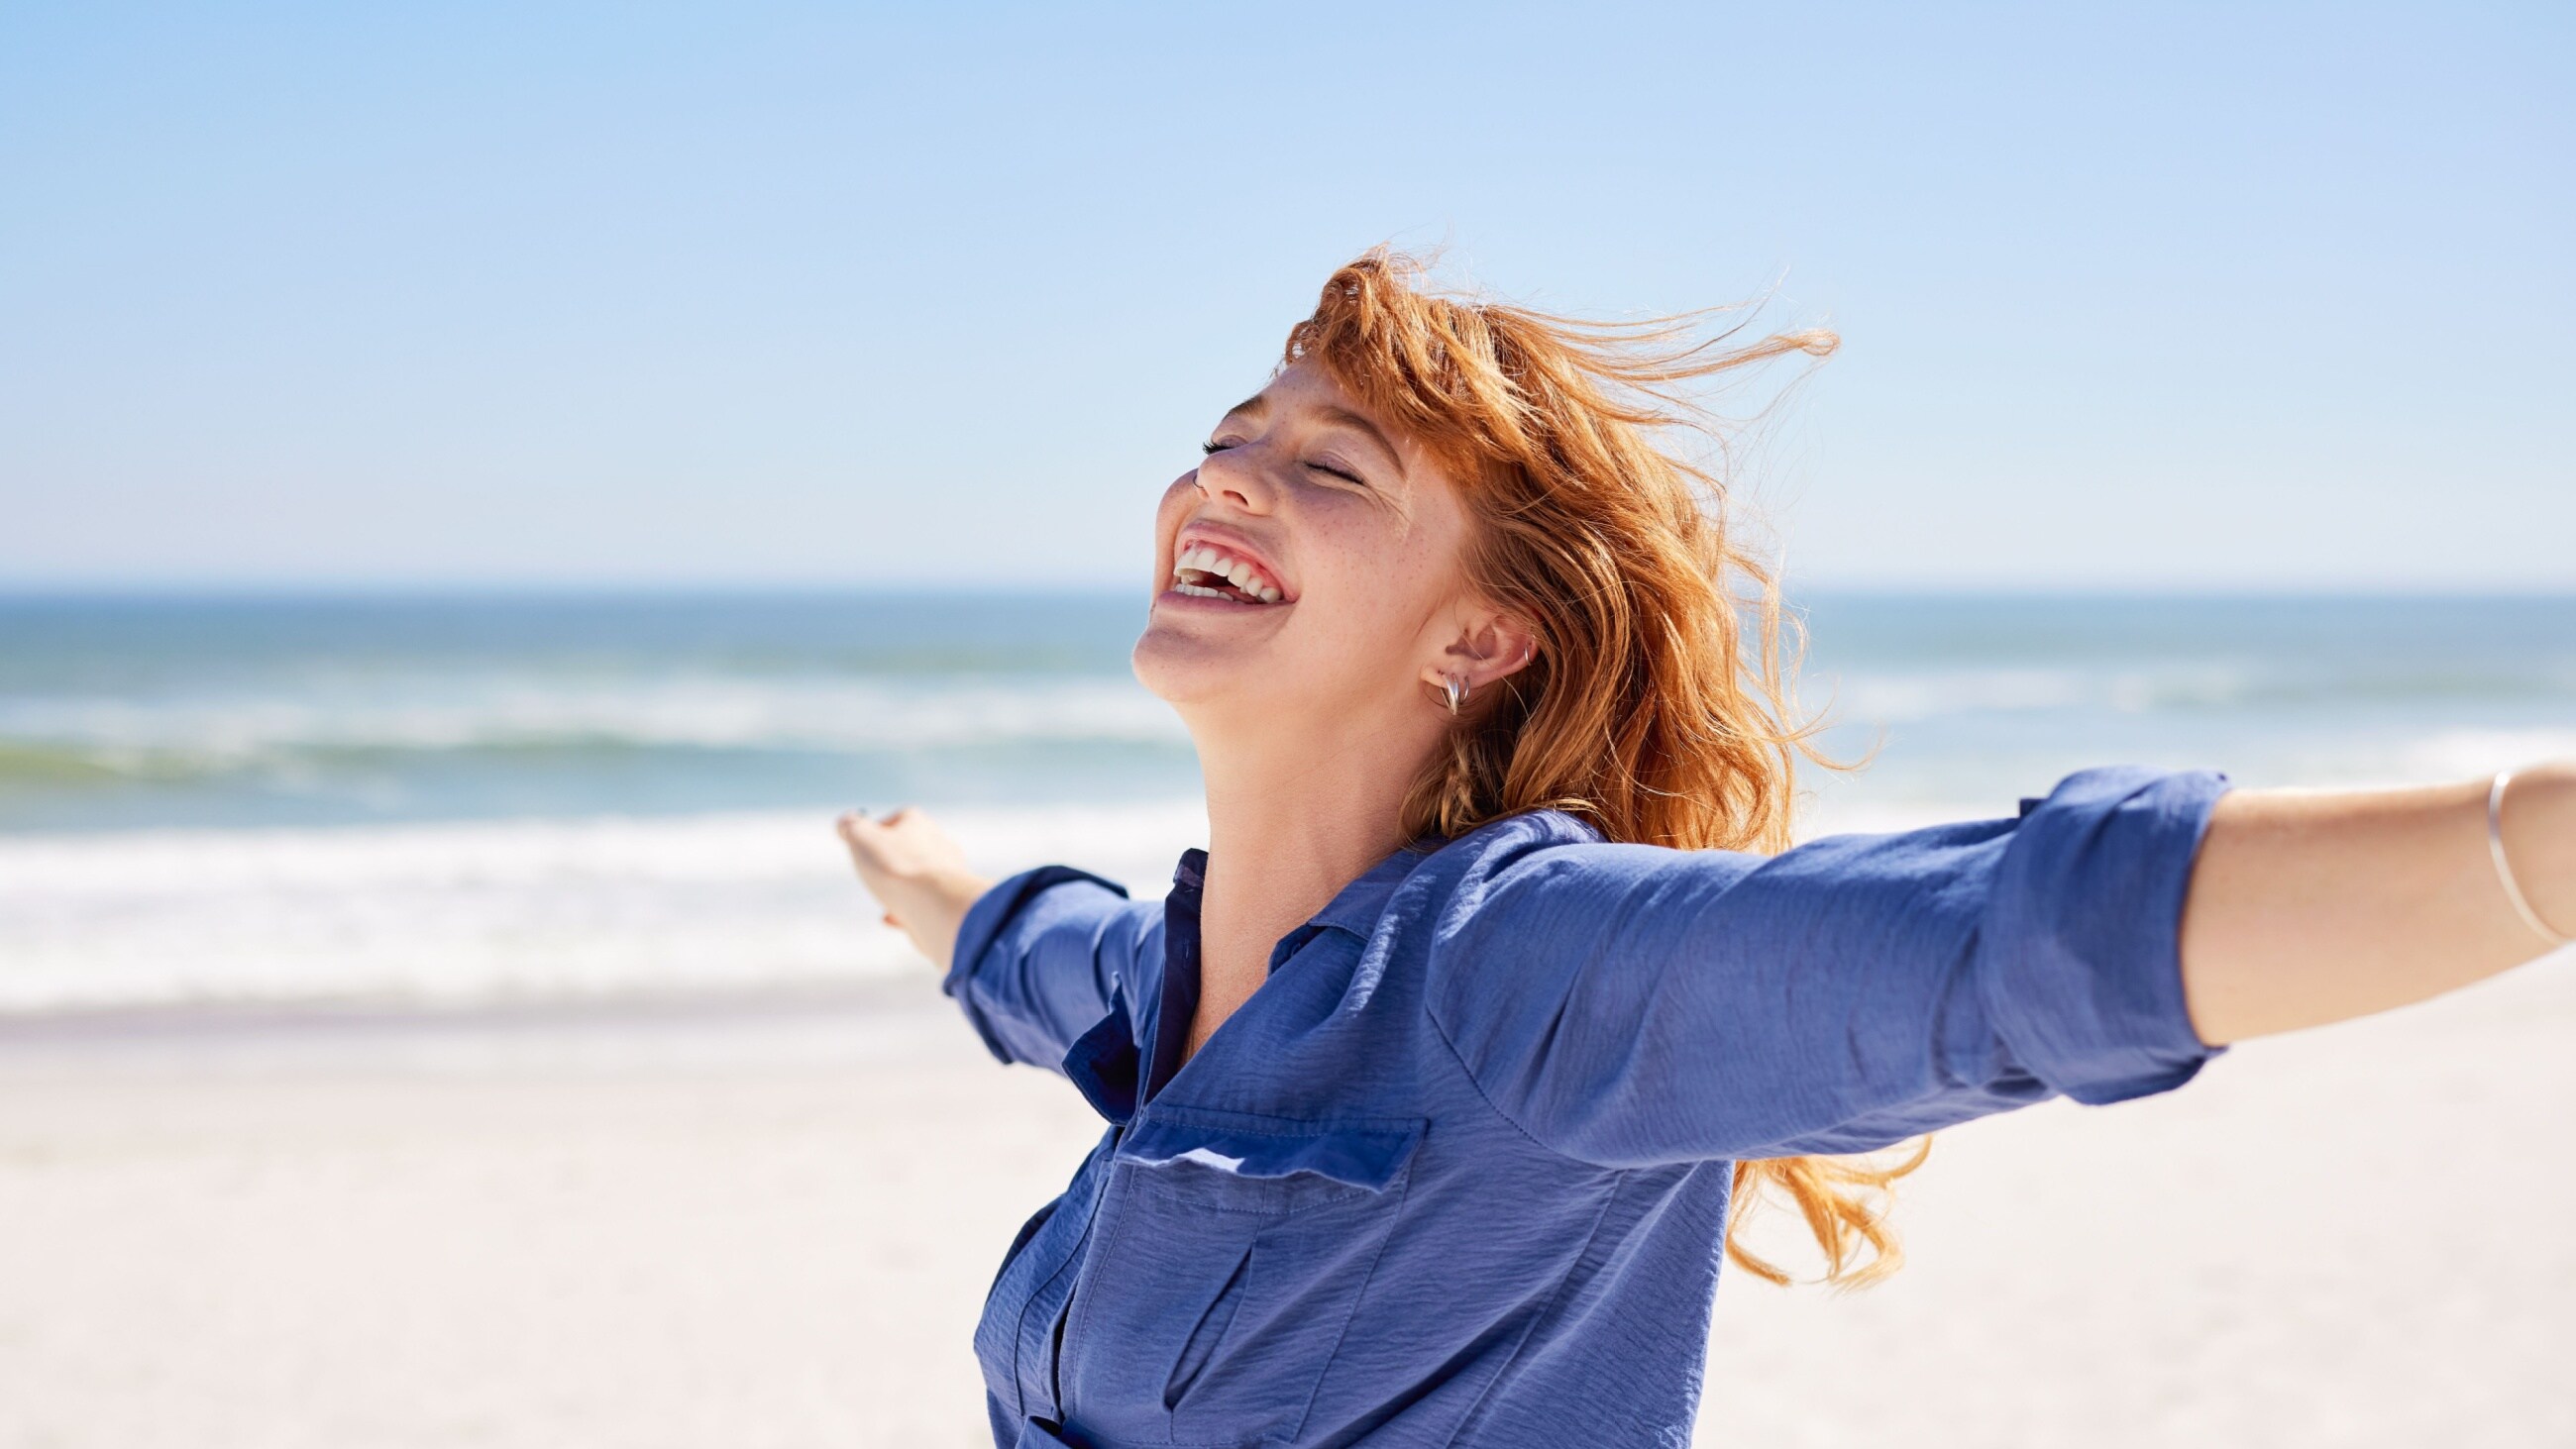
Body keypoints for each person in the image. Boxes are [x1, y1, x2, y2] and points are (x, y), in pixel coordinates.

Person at [836, 250, 2572, 1449]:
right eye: (1225, 442)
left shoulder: (1527, 978)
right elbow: (1026, 947)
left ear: (1480, 638)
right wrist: (919, 872)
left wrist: (2531, 845)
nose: (1225, 481)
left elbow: (2014, 946)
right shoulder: (1166, 983)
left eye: (1331, 472)